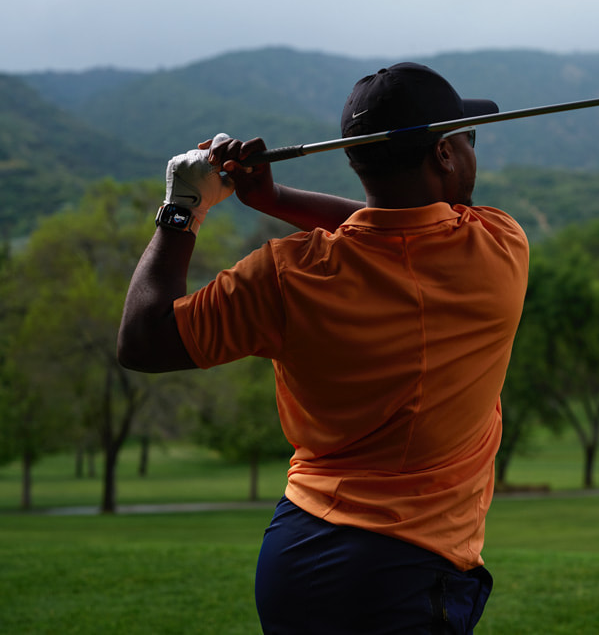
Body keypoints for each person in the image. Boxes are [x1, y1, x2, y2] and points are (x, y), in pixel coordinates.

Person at [117, 62, 529, 634]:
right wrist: (274, 197)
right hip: (404, 572)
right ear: (442, 155)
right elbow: (390, 228)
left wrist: (184, 205)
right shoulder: (500, 244)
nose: (471, 152)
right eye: (467, 138)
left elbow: (143, 340)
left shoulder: (285, 276)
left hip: (297, 552)